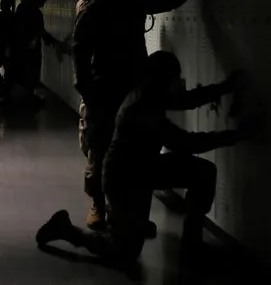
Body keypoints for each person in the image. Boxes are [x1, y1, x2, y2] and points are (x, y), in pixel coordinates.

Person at [36, 51, 249, 264]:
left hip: (143, 168)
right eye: (175, 78)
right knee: (123, 252)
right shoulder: (142, 107)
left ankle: (191, 246)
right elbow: (185, 143)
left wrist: (225, 86)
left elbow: (186, 100)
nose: (179, 83)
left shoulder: (150, 93)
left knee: (203, 172)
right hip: (124, 179)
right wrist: (235, 135)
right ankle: (65, 229)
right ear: (163, 78)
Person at [73, 0, 217, 230]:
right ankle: (99, 205)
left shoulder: (135, 2)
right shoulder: (93, 14)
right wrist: (91, 99)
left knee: (139, 155)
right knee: (101, 152)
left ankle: (130, 215)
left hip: (135, 92)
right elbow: (79, 61)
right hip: (105, 95)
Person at [10, 0, 57, 100]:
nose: (43, 4)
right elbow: (40, 30)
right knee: (31, 71)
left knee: (20, 71)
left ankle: (19, 95)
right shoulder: (36, 13)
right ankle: (28, 96)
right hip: (31, 48)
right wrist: (53, 41)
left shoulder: (21, 7)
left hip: (18, 46)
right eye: (43, 1)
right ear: (39, 0)